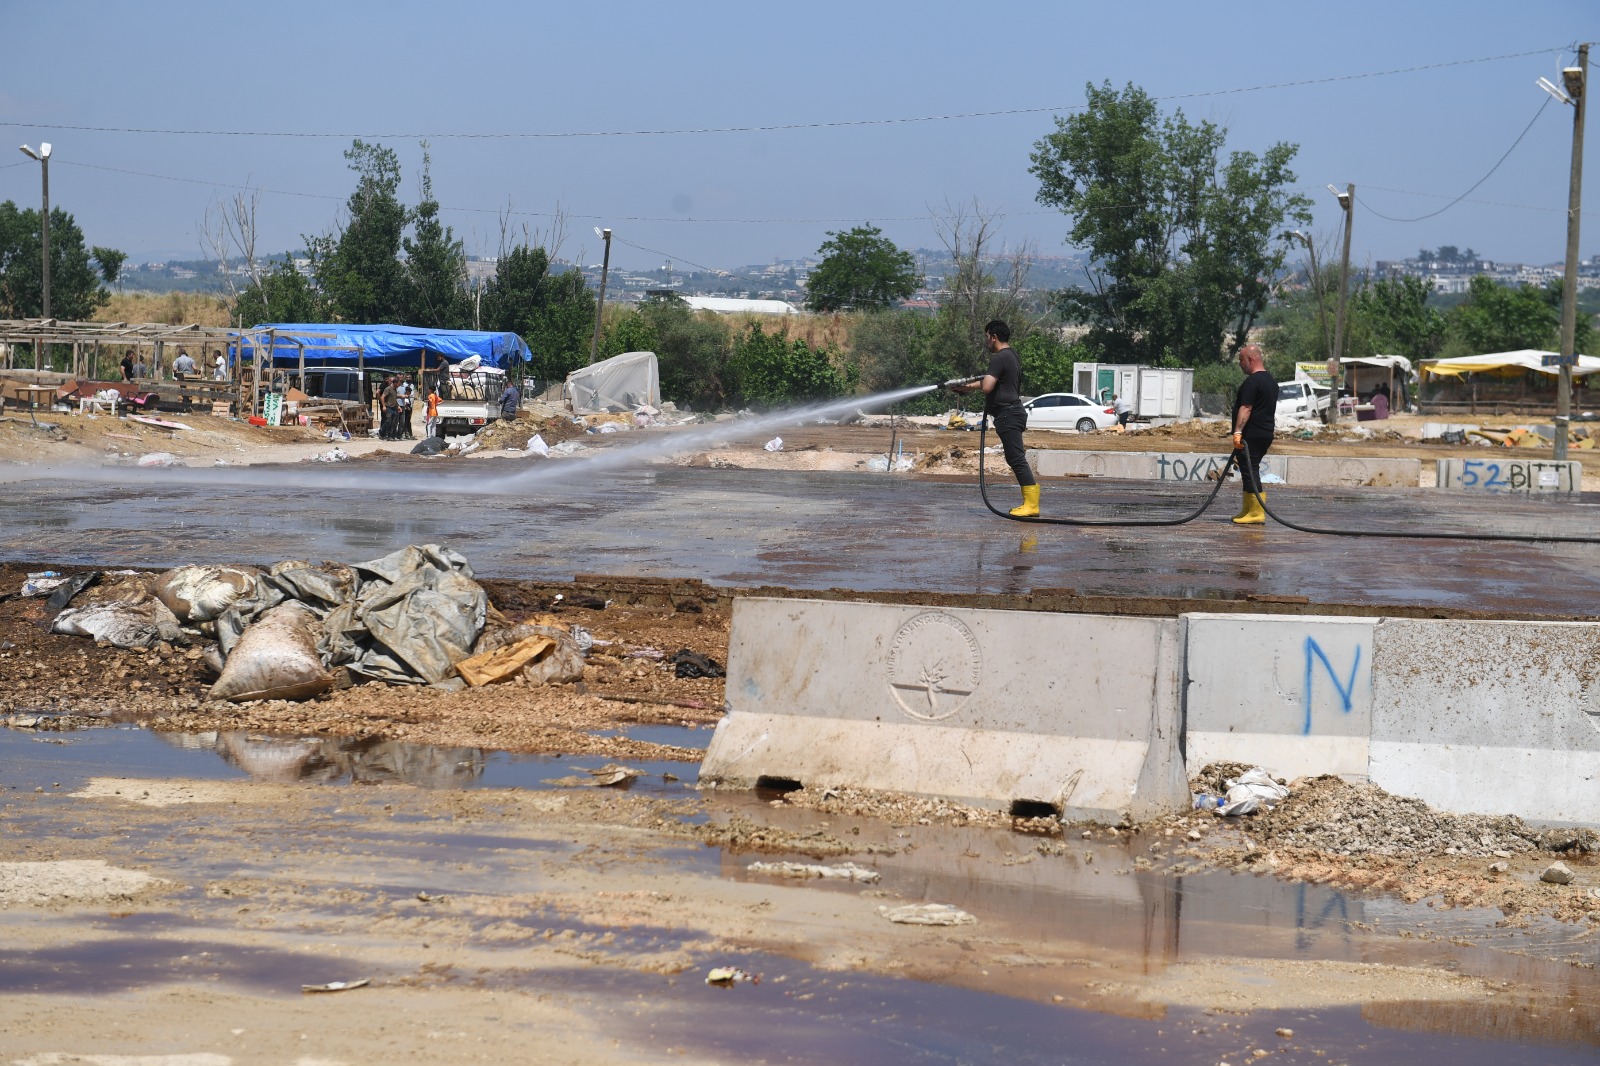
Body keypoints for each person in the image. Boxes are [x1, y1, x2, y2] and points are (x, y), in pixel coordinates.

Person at [951, 320, 1038, 517]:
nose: (986, 341)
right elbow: (992, 381)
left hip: (1008, 414)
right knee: (1014, 457)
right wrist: (964, 387)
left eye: (986, 337)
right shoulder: (1011, 355)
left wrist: (968, 385)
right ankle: (1030, 503)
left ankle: (1032, 505)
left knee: (1016, 458)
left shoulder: (999, 358)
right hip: (1012, 412)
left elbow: (987, 386)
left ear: (994, 337)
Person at [1230, 343, 1279, 526]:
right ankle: (1248, 509)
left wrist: (1237, 431)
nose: (1239, 363)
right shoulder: (1271, 381)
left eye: (1241, 359)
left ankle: (1256, 513)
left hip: (1252, 435)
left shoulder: (1253, 381)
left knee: (1251, 471)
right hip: (1265, 433)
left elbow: (1246, 408)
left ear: (1250, 359)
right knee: (1248, 469)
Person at [379, 375, 399, 440]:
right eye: (398, 384)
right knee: (388, 421)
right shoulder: (388, 389)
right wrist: (384, 406)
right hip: (389, 407)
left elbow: (394, 399)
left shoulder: (395, 390)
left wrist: (398, 406)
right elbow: (382, 397)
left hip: (394, 408)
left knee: (393, 422)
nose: (398, 385)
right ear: (395, 383)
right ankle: (382, 433)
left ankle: (390, 436)